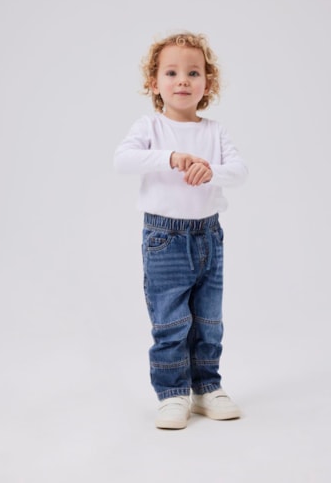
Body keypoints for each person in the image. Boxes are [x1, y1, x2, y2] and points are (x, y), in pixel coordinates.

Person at [114, 31, 248, 429]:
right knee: (171, 323)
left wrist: (211, 170)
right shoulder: (150, 127)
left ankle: (207, 386)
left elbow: (240, 171)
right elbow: (123, 160)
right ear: (154, 83)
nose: (183, 81)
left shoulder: (215, 132)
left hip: (209, 237)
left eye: (193, 72)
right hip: (164, 241)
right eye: (171, 73)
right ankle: (173, 393)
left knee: (209, 321)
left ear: (208, 82)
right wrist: (170, 158)